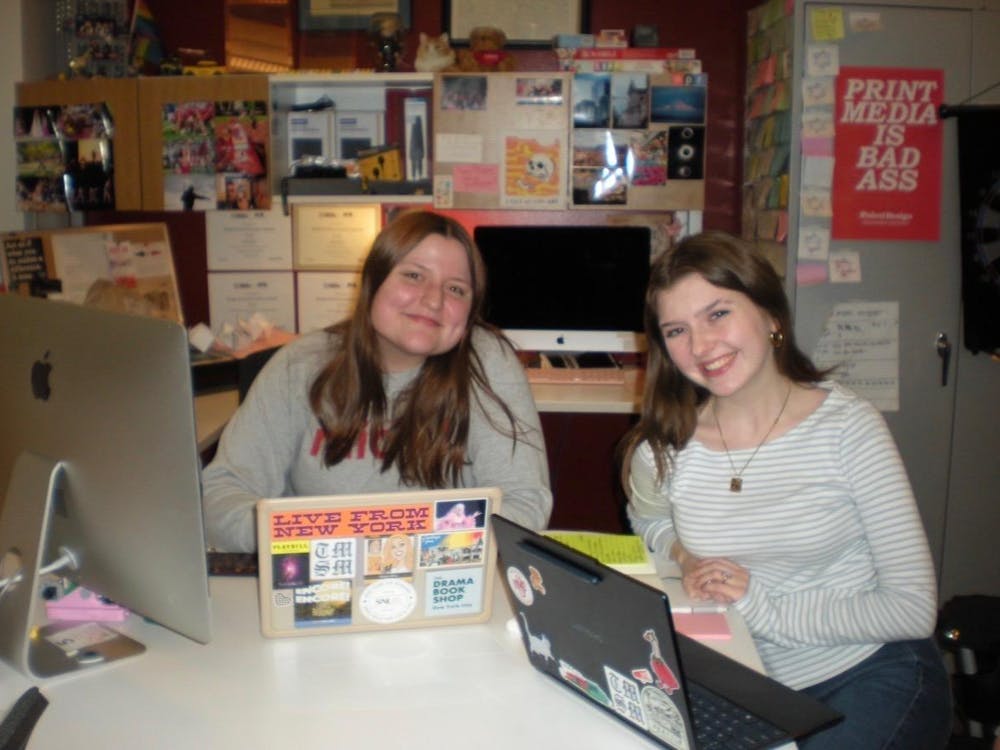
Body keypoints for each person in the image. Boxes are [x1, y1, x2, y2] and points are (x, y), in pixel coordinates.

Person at [619, 231, 951, 749]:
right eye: (677, 329)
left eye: (718, 314)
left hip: (867, 672)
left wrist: (763, 607)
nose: (701, 346)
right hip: (748, 678)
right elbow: (649, 517)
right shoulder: (664, 447)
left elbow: (911, 608)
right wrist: (684, 555)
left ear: (771, 315)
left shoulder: (848, 428)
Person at [202, 210, 552, 552]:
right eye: (414, 276)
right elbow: (222, 493)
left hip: (442, 583)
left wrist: (405, 551)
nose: (434, 300)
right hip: (317, 580)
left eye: (456, 289)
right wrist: (311, 544)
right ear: (373, 281)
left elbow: (524, 504)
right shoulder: (300, 365)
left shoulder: (487, 362)